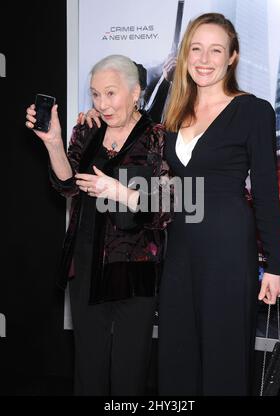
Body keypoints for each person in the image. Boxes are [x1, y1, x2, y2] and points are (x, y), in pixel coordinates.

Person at [25, 54, 171, 395]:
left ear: (135, 92)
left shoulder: (158, 136)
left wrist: (119, 192)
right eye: (95, 94)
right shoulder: (87, 129)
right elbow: (66, 184)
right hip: (87, 262)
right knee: (88, 368)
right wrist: (54, 142)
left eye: (110, 93)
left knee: (129, 371)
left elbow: (167, 208)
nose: (102, 104)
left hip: (135, 269)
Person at [157, 12, 280, 396]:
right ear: (184, 55)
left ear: (232, 57)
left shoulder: (253, 110)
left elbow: (265, 190)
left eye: (216, 50)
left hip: (229, 248)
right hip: (180, 247)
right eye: (196, 48)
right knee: (178, 353)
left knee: (224, 355)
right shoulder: (174, 112)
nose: (204, 59)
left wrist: (275, 267)